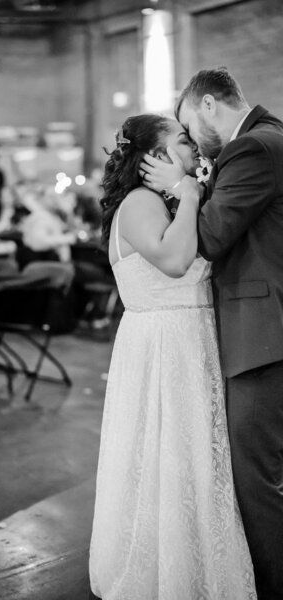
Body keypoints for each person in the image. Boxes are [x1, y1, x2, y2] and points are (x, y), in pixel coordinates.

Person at [88, 114, 256, 600]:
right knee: (168, 459)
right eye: (182, 140)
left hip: (188, 342)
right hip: (164, 348)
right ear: (155, 157)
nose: (193, 146)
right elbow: (176, 260)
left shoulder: (164, 201)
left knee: (188, 461)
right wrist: (191, 194)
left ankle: (196, 568)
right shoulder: (142, 202)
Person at [140, 67, 283, 600]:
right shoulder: (269, 139)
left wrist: (184, 190)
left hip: (265, 337)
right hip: (264, 332)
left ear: (206, 105)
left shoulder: (253, 148)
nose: (194, 145)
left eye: (186, 127)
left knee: (257, 480)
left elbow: (213, 236)